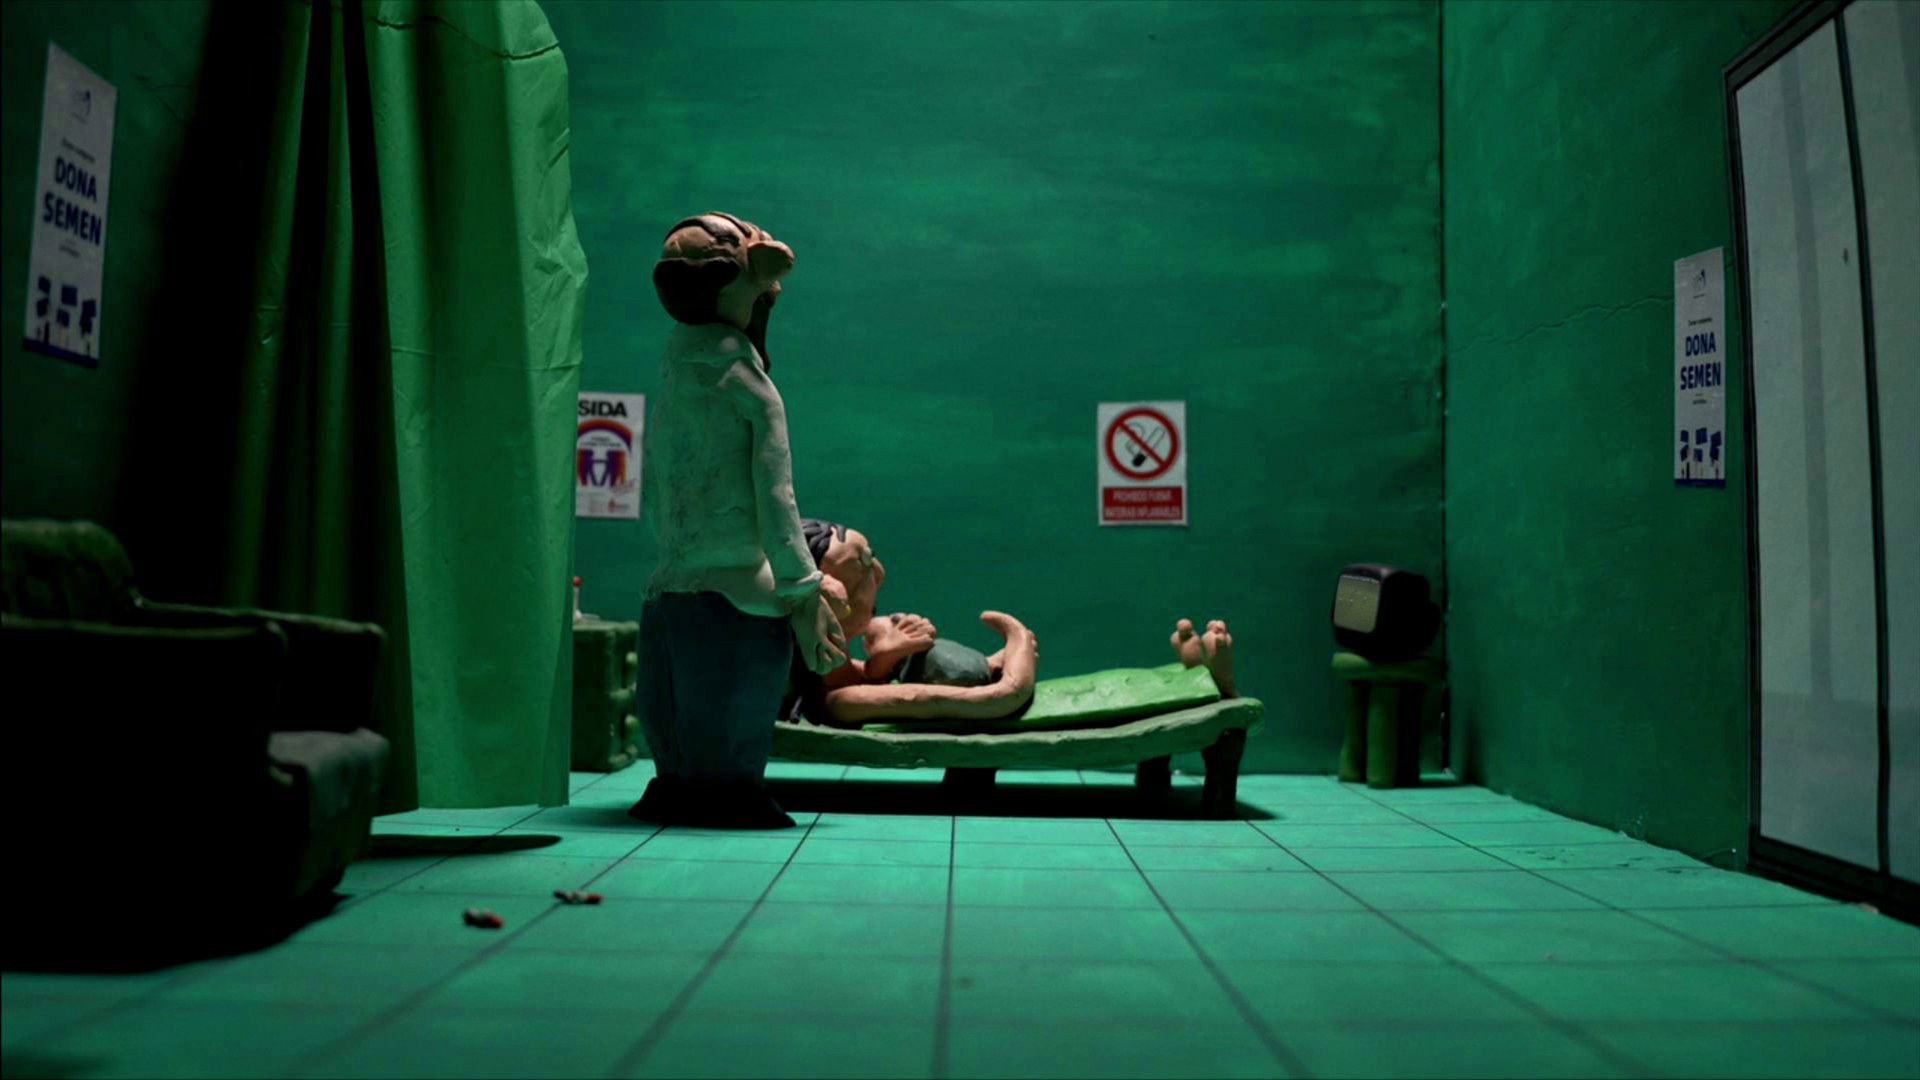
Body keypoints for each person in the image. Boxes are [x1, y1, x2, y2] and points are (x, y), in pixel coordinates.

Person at [629, 213, 847, 829]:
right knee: (724, 726)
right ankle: (727, 793)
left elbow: (659, 487)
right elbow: (776, 496)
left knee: (671, 719)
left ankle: (678, 788)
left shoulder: (676, 373)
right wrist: (802, 590)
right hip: (736, 594)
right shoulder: (747, 386)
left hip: (670, 584)